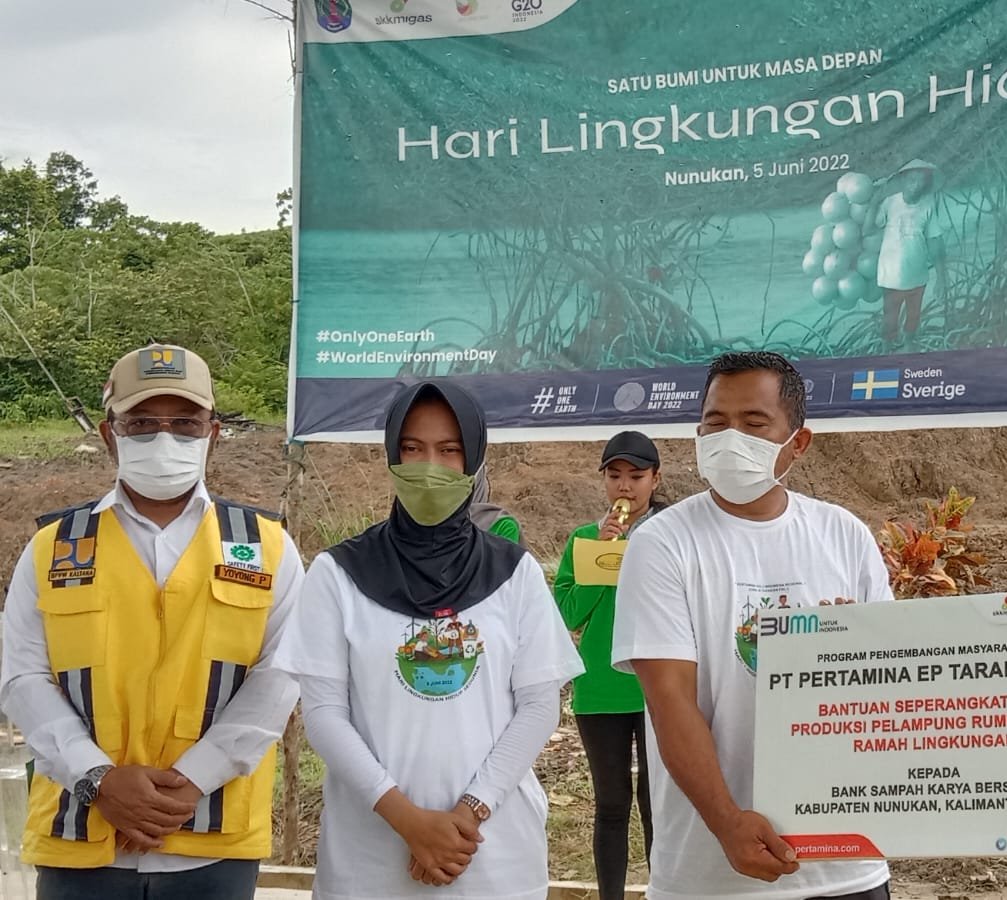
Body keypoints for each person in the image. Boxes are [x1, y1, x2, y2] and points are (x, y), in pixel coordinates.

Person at [0, 344, 304, 900]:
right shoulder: (53, 547)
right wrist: (98, 780)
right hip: (79, 839)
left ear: (213, 433)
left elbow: (281, 676)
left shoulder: (266, 546)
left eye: (185, 423)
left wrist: (193, 781)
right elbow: (21, 677)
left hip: (213, 843)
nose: (164, 439)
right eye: (141, 423)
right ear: (109, 434)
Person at [269, 381, 583, 900]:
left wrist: (470, 811)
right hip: (368, 862)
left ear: (473, 459)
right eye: (412, 448)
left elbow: (538, 706)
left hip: (491, 856)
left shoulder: (515, 572)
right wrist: (407, 820)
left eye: (449, 449)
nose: (429, 466)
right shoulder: (338, 573)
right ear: (392, 455)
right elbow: (324, 714)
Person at [611, 351, 892, 900]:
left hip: (845, 864)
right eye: (715, 423)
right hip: (711, 873)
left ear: (798, 443)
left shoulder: (844, 535)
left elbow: (888, 684)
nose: (730, 438)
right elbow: (671, 703)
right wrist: (727, 821)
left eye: (754, 423)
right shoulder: (662, 543)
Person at [553, 430, 667, 900]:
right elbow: (566, 616)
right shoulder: (584, 539)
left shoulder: (672, 535)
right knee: (612, 804)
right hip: (600, 688)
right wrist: (601, 559)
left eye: (636, 477)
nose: (625, 487)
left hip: (660, 688)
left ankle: (665, 891)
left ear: (655, 479)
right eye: (615, 476)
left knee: (657, 804)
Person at [874, 160, 943, 348]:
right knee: (889, 320)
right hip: (891, 276)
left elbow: (935, 240)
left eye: (921, 180)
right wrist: (875, 199)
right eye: (912, 179)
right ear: (903, 180)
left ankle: (909, 349)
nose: (916, 185)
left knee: (913, 317)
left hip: (918, 276)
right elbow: (871, 227)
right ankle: (886, 350)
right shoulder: (890, 202)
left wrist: (941, 277)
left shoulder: (928, 204)